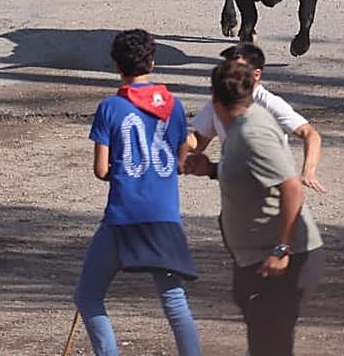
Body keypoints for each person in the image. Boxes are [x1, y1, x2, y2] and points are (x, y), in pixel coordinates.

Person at [73, 29, 202, 356]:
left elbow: (102, 170)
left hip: (122, 218)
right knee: (174, 301)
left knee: (89, 296)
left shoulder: (111, 107)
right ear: (153, 61)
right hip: (164, 217)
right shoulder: (173, 106)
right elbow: (179, 160)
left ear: (116, 65)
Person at [209, 58, 325, 356]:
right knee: (264, 343)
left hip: (285, 259)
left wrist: (281, 249)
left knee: (270, 346)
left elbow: (291, 188)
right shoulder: (243, 126)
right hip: (259, 258)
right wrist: (209, 169)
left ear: (215, 99)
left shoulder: (252, 133)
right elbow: (252, 174)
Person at [186, 42, 325, 191]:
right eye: (227, 69)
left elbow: (310, 134)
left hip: (270, 191)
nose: (228, 75)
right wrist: (165, 139)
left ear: (256, 75)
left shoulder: (269, 103)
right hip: (235, 192)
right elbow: (198, 141)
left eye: (236, 70)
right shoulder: (220, 101)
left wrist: (308, 172)